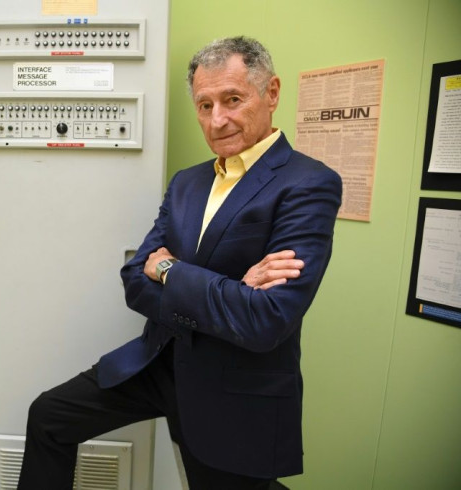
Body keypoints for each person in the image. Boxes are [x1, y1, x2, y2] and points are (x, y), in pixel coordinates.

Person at [18, 36, 342, 489]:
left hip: (233, 385)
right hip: (158, 362)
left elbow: (268, 319)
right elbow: (134, 279)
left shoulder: (308, 184)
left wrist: (171, 272)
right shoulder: (188, 183)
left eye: (233, 99)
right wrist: (231, 291)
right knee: (49, 416)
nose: (218, 120)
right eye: (204, 105)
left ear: (271, 93)